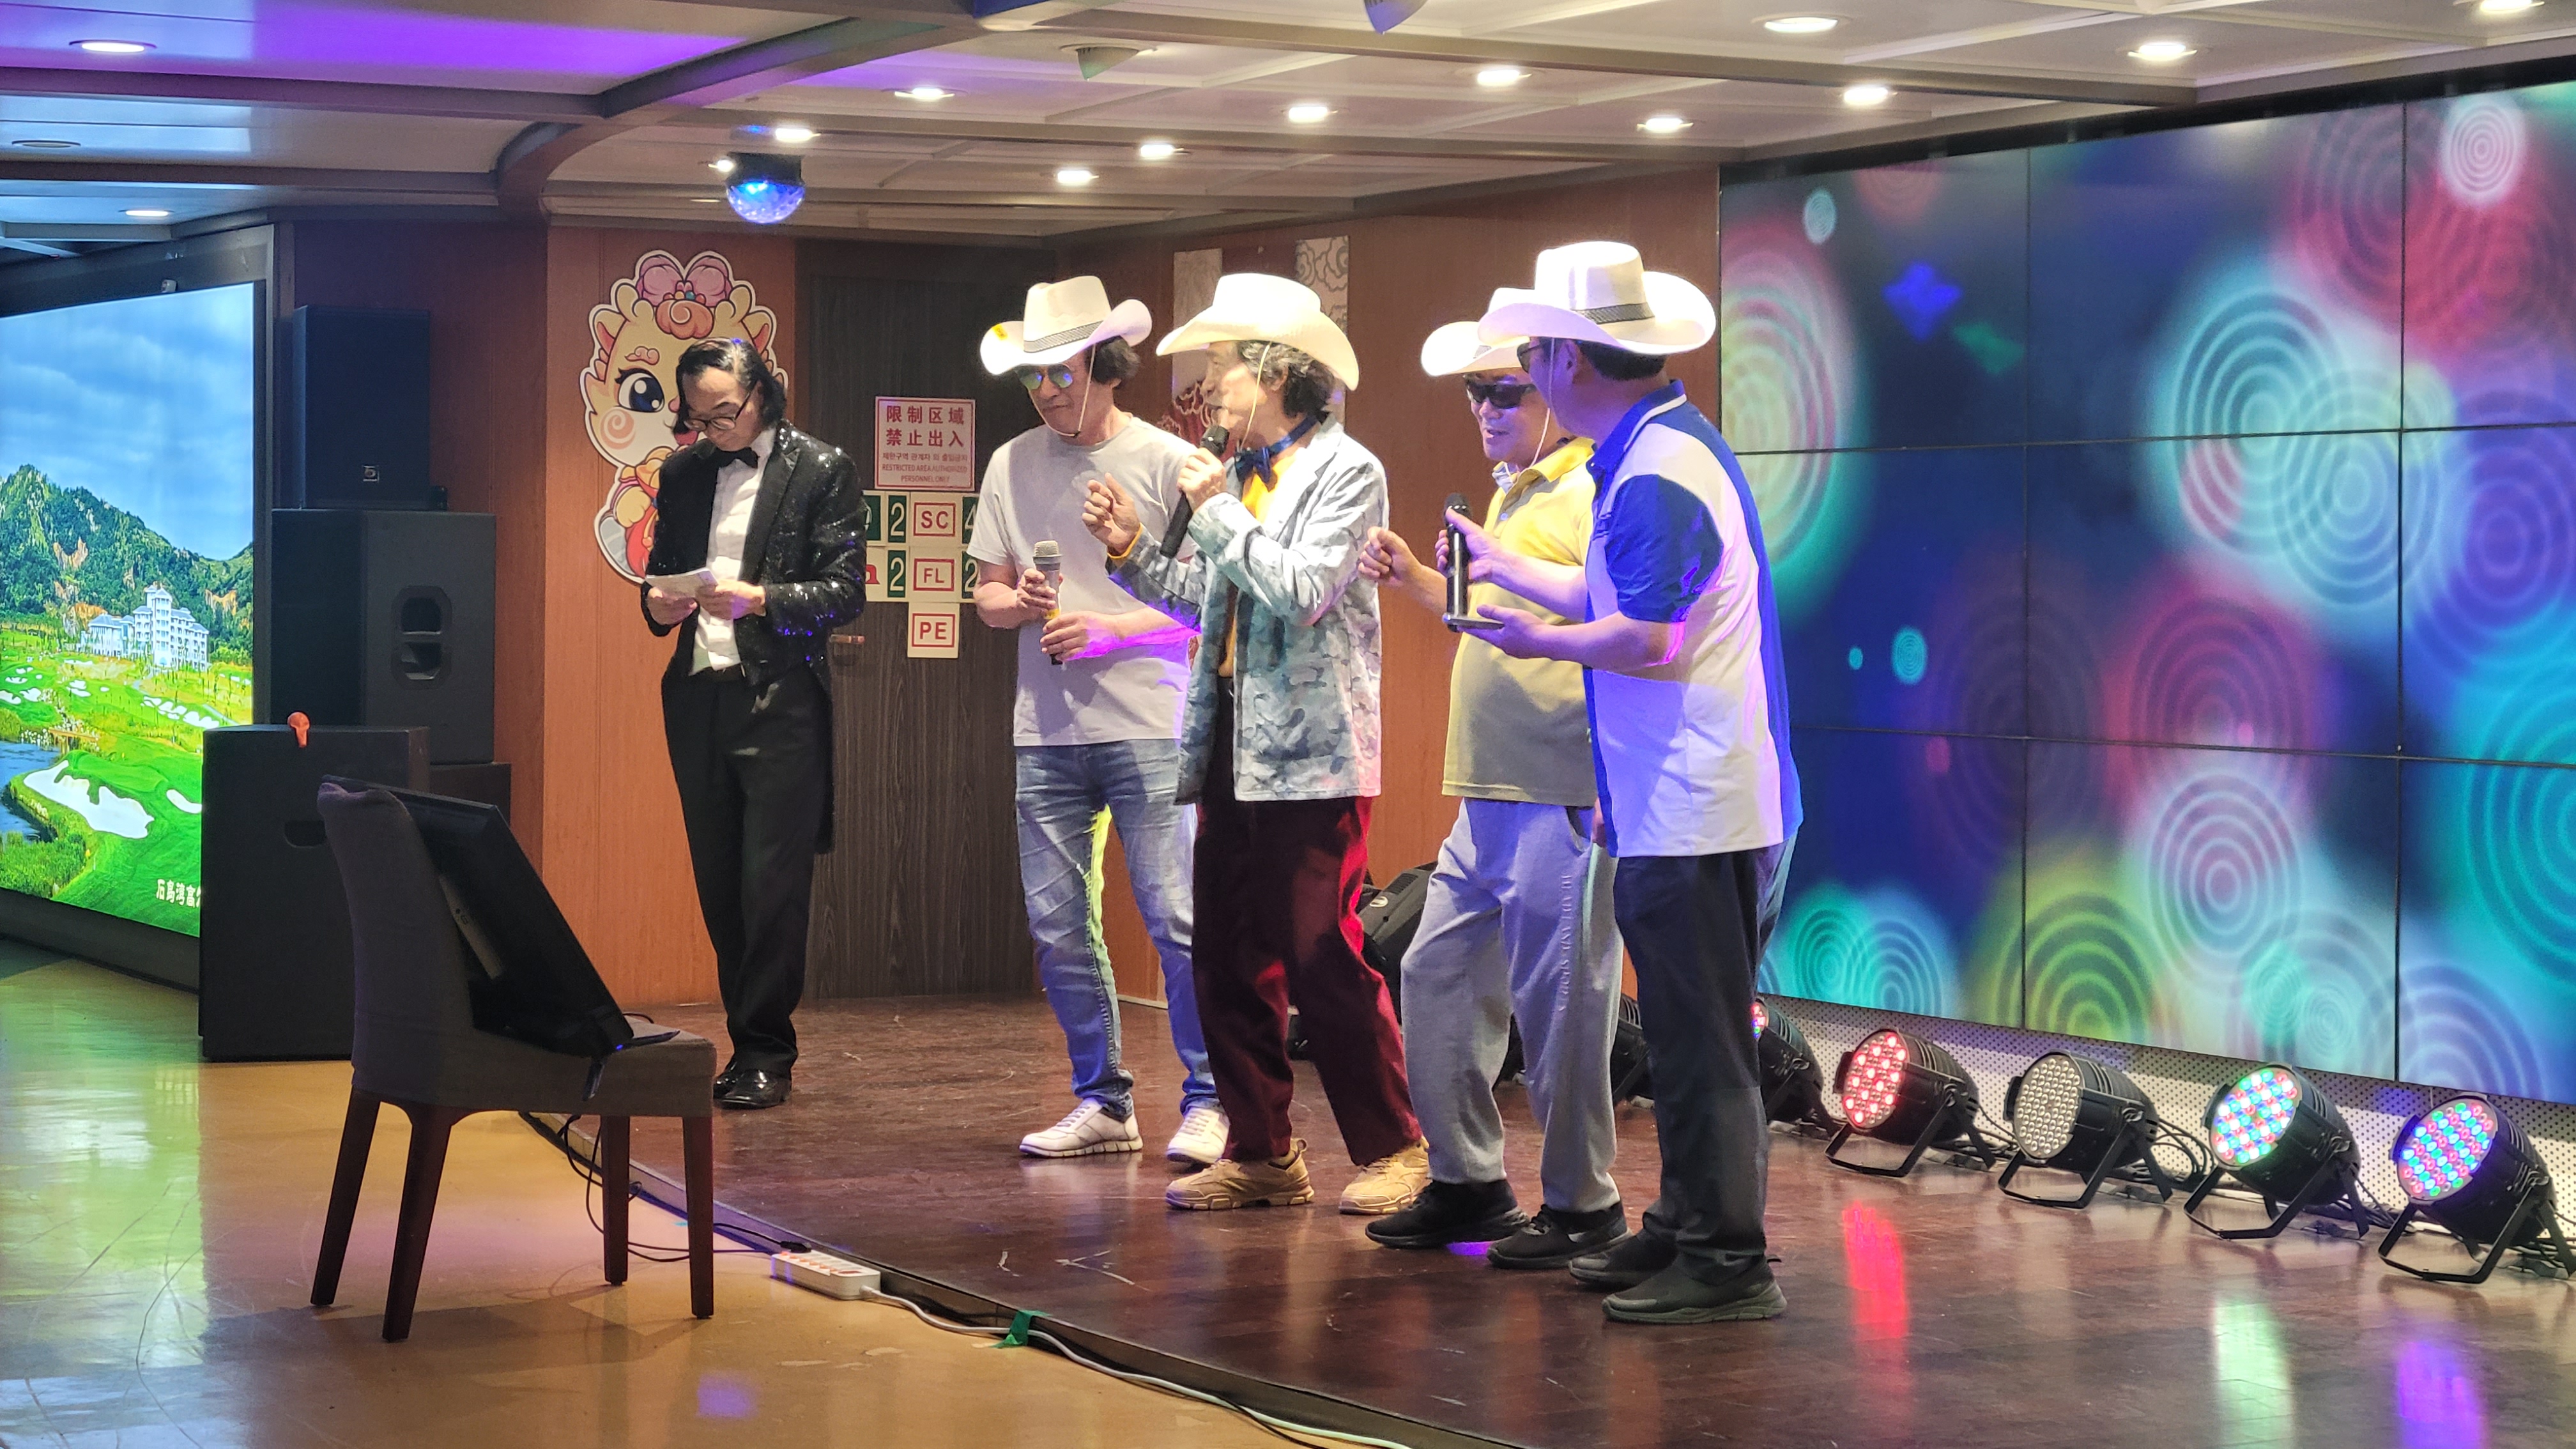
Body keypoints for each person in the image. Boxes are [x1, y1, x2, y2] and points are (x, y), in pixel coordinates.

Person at [1454, 242, 1802, 1324]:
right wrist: (1509, 568)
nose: (1521, 376)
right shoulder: (1650, 449)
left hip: (1697, 806)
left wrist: (1535, 637)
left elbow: (1649, 637)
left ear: (1569, 360)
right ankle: (1687, 1224)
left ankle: (1727, 1256)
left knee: (1702, 1046)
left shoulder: (1657, 469)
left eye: (1528, 358)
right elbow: (1620, 594)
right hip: (1672, 803)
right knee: (1688, 1041)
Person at [1082, 273, 1429, 1216]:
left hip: (1314, 751)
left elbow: (1303, 591)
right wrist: (1133, 550)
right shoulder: (1237, 475)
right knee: (1227, 952)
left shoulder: (1348, 470)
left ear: (1277, 373)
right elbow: (1207, 601)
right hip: (1231, 738)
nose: (1211, 386)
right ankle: (1262, 1150)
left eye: (1224, 365)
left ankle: (1396, 1146)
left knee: (1320, 950)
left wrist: (1219, 512)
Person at [1352, 305, 1630, 1266]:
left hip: (1562, 784)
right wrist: (1417, 581)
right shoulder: (1512, 493)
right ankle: (1469, 1182)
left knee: (1563, 1008)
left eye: (1505, 391)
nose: (1485, 409)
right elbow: (1488, 617)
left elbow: (1620, 626)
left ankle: (1584, 1203)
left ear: (1553, 388)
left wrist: (1606, 778)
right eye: (1476, 393)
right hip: (1487, 787)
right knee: (1434, 972)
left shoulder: (1591, 488)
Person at [968, 277, 1227, 1166]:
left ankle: (1211, 1098)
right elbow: (987, 593)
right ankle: (1103, 1101)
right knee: (1057, 927)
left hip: (1151, 721)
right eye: (1032, 376)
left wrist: (1113, 628)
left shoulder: (1167, 461)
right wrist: (1017, 602)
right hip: (1045, 729)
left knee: (1176, 918)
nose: (1044, 391)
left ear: (1105, 366)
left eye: (1060, 372)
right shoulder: (1011, 463)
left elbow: (1208, 607)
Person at [640, 337, 864, 1112]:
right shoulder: (684, 473)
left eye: (724, 413)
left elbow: (846, 593)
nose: (712, 430)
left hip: (780, 699)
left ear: (762, 391)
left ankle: (767, 1050)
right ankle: (745, 1041)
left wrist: (760, 600)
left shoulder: (822, 468)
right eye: (698, 418)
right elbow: (659, 576)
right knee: (718, 881)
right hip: (698, 695)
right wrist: (659, 603)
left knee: (772, 884)